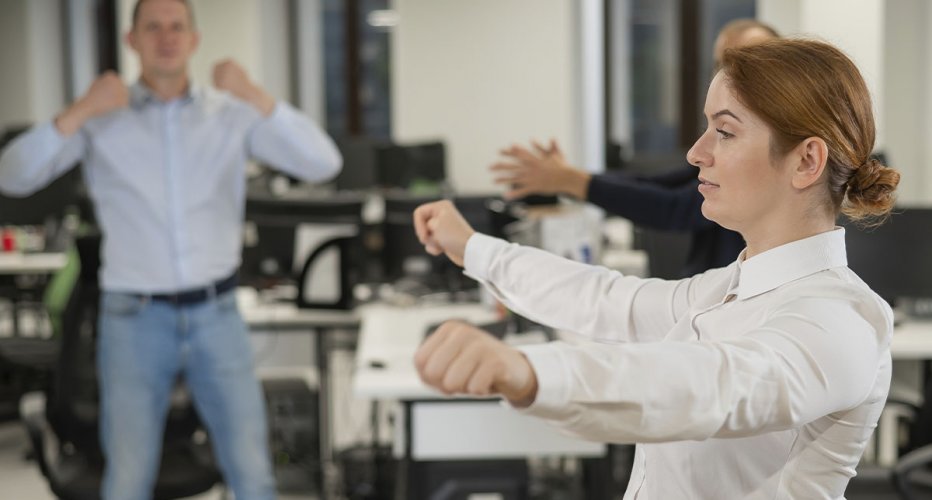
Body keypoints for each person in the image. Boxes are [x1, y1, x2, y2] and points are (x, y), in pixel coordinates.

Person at [412, 38, 900, 499]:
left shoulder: (841, 321)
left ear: (806, 161)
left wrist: (528, 372)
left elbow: (706, 386)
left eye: (724, 132)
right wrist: (474, 249)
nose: (696, 153)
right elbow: (608, 300)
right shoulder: (729, 290)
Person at [0, 0, 341, 498]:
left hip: (217, 315)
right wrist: (81, 110)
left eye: (177, 26)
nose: (166, 37)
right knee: (128, 479)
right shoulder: (101, 119)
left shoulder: (230, 115)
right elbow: (12, 174)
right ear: (131, 40)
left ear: (194, 39)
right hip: (134, 321)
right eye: (152, 27)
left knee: (253, 475)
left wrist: (255, 95)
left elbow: (323, 163)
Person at [491, 19, 779, 277]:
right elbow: (662, 184)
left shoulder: (770, 145)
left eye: (726, 133)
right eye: (722, 64)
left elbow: (675, 207)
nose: (696, 154)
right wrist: (571, 177)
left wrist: (575, 182)